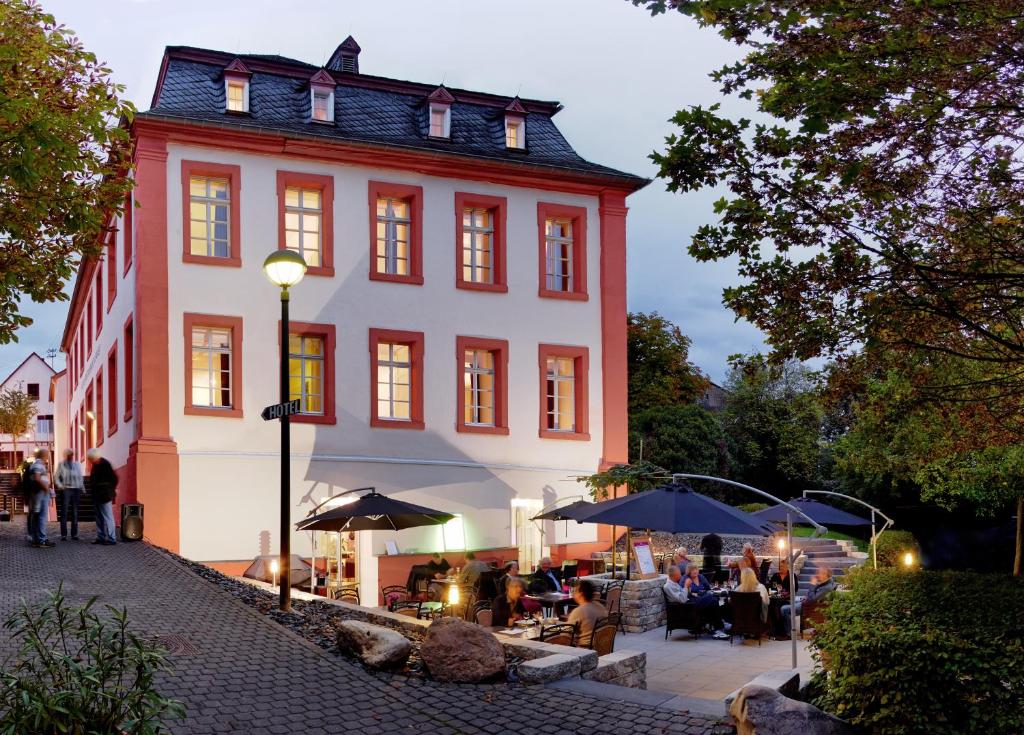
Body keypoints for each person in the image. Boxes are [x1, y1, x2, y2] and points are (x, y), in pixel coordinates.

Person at [777, 565, 836, 640]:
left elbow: (812, 599)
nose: (817, 575)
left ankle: (788, 634)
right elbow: (812, 597)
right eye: (817, 573)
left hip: (807, 607)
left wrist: (812, 585)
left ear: (825, 575)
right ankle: (781, 630)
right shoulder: (826, 583)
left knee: (783, 609)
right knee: (785, 602)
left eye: (819, 573)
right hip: (807, 604)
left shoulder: (826, 588)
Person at [87, 448, 119, 545]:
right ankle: (101, 537)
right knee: (99, 518)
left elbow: (114, 479)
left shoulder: (105, 464)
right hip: (97, 495)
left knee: (108, 517)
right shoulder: (95, 465)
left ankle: (112, 538)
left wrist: (109, 489)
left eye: (91, 459)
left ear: (95, 457)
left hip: (105, 495)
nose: (90, 461)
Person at [54, 448, 84, 541]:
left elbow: (80, 477)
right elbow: (56, 477)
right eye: (69, 454)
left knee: (75, 512)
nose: (71, 456)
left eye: (72, 454)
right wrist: (60, 486)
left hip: (76, 490)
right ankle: (64, 534)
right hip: (66, 489)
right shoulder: (61, 465)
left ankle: (74, 534)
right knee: (64, 512)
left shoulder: (77, 465)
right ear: (65, 455)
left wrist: (83, 488)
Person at [26, 449, 54, 548]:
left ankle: (36, 539)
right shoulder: (38, 465)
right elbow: (37, 478)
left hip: (37, 494)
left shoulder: (36, 464)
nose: (47, 457)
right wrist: (46, 487)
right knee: (41, 517)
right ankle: (41, 539)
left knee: (37, 517)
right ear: (44, 456)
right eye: (47, 455)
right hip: (40, 494)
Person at [566, 579, 607, 647]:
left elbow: (566, 633)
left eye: (575, 591)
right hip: (601, 646)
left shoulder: (579, 611)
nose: (573, 593)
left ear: (581, 594)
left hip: (585, 648)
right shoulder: (600, 606)